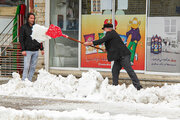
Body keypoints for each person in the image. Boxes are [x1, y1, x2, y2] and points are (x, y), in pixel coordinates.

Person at [83, 24, 142, 90]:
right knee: (115, 70)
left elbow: (102, 40)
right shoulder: (112, 34)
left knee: (129, 70)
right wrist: (107, 49)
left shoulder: (111, 33)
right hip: (118, 56)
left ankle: (138, 86)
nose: (104, 31)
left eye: (104, 29)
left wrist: (90, 43)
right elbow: (113, 44)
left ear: (108, 28)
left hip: (123, 55)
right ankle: (115, 86)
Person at [19, 13, 44, 81]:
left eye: (33, 18)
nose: (32, 20)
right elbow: (21, 39)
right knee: (26, 67)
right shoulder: (23, 27)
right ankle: (24, 80)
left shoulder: (36, 28)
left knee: (33, 67)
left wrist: (41, 48)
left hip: (35, 50)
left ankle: (29, 80)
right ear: (28, 19)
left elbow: (39, 38)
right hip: (27, 51)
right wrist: (23, 50)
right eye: (31, 18)